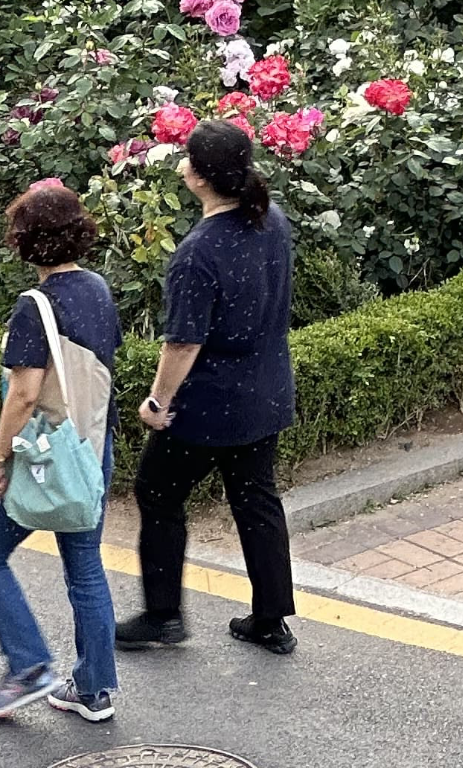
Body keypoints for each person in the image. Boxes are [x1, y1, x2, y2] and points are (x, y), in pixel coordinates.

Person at [118, 119, 297, 659]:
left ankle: (163, 614)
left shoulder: (198, 252)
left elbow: (182, 345)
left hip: (208, 406)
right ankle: (270, 621)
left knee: (157, 491)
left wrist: (157, 403)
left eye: (186, 158)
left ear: (197, 177)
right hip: (265, 393)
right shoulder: (274, 222)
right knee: (256, 500)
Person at [0, 180, 121, 722]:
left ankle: (28, 666)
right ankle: (95, 689)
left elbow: (26, 393)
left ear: (26, 242)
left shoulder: (34, 307)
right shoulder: (98, 290)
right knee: (85, 568)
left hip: (44, 459)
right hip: (91, 450)